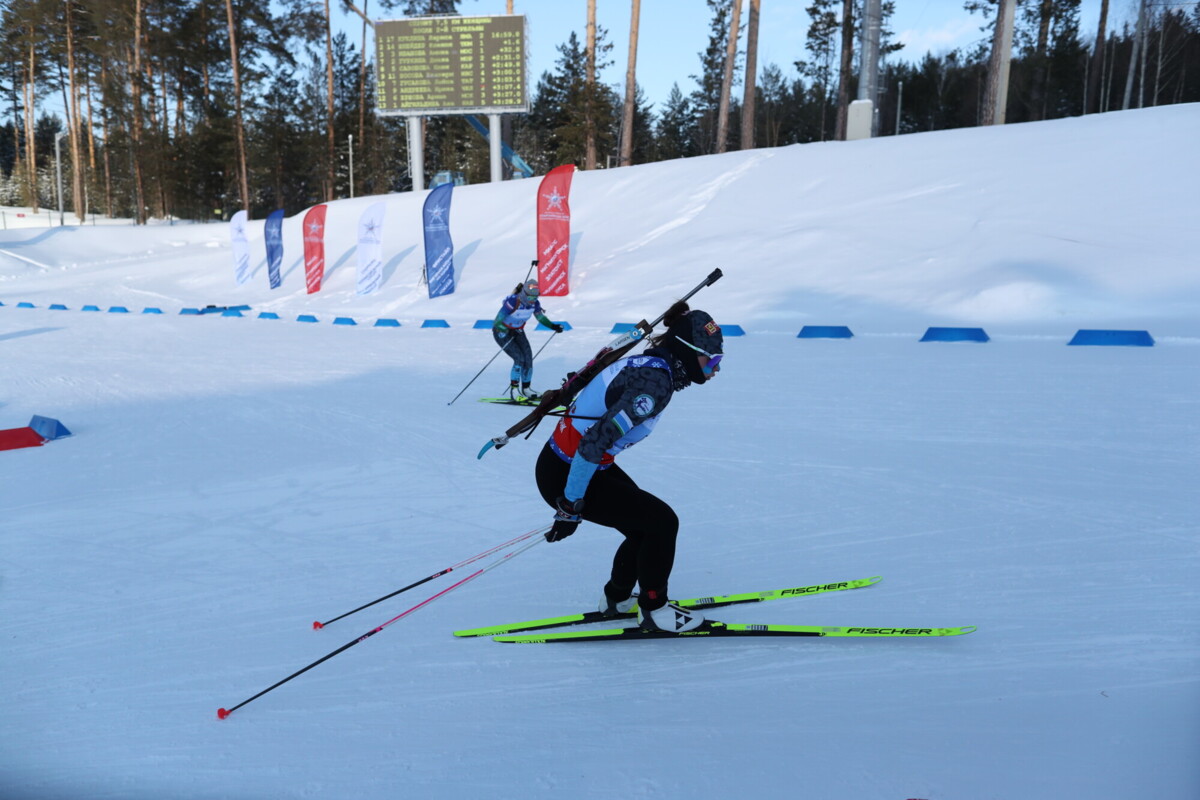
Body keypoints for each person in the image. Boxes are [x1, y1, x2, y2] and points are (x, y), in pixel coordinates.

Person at [534, 301, 724, 633]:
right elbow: (592, 444)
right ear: (687, 351)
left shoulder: (652, 364)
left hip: (571, 463)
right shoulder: (654, 384)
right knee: (662, 523)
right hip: (569, 471)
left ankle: (617, 599)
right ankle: (654, 610)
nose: (716, 368)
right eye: (713, 359)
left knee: (644, 526)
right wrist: (569, 506)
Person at [492, 278, 564, 401]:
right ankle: (514, 391)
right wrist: (504, 329)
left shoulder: (535, 304)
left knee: (528, 358)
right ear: (525, 294)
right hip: (502, 331)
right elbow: (498, 321)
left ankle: (526, 389)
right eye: (530, 297)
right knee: (519, 358)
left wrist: (553, 326)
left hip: (518, 330)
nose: (533, 300)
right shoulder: (513, 301)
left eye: (536, 297)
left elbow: (540, 318)